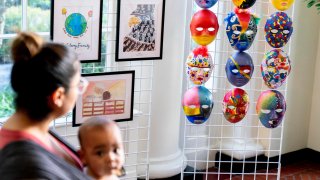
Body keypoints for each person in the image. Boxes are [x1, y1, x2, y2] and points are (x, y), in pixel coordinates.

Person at [0, 32, 89, 179]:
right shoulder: (25, 167)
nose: (80, 90)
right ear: (58, 96)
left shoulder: (36, 129)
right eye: (78, 84)